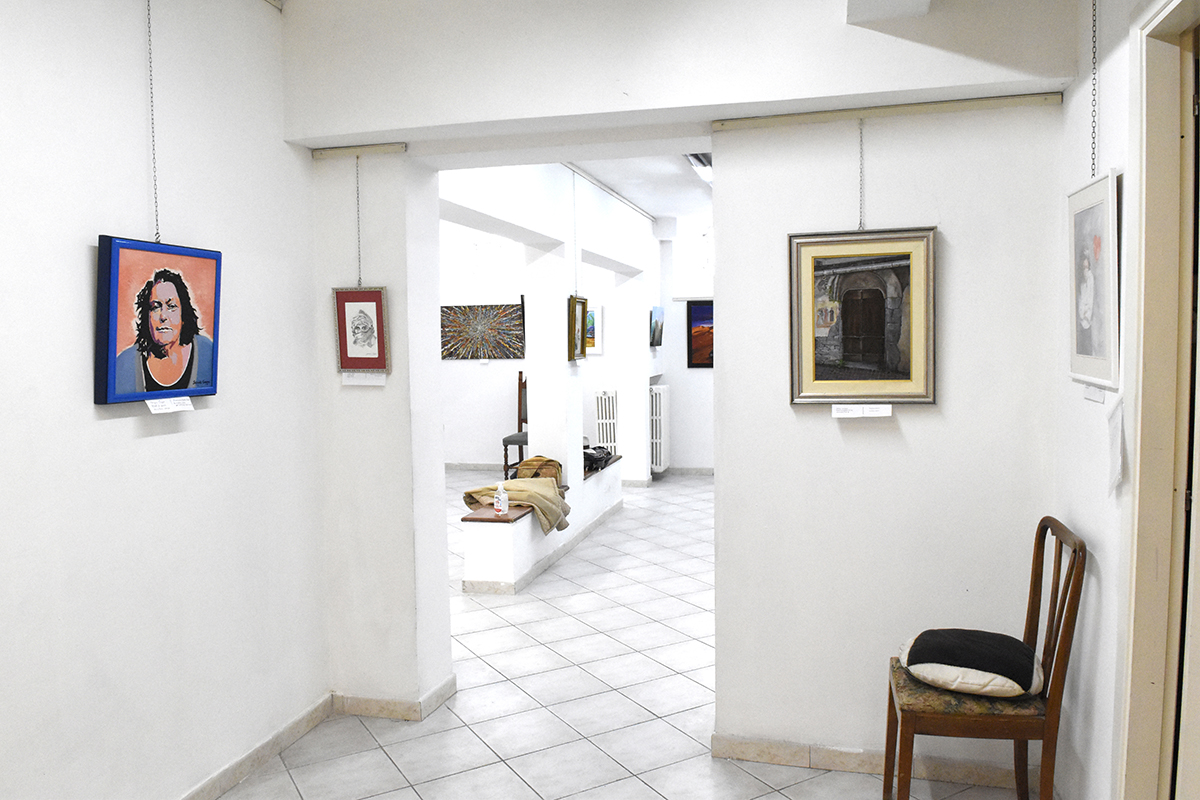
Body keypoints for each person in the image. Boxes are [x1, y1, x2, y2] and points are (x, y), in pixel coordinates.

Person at [115, 269, 214, 394]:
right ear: (147, 316)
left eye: (171, 306)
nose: (163, 316)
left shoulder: (207, 352)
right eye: (155, 307)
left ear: (183, 314)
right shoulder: (124, 364)